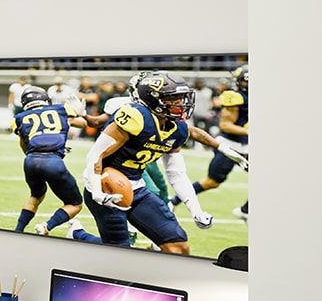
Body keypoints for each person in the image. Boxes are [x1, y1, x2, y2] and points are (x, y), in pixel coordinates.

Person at [82, 71, 212, 254]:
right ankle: (80, 235)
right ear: (153, 99)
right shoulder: (136, 117)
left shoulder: (178, 129)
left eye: (181, 98)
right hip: (106, 185)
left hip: (137, 187)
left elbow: (176, 173)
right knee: (120, 253)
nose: (180, 104)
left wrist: (196, 210)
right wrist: (96, 190)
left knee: (178, 247)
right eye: (173, 99)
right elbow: (95, 155)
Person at [12, 86, 102, 242]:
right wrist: (82, 112)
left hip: (30, 160)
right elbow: (81, 123)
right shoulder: (61, 109)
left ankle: (18, 230)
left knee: (36, 195)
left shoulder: (19, 117)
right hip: (53, 162)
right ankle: (46, 226)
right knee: (75, 204)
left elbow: (23, 144)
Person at [193, 64, 249, 220]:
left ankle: (246, 210)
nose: (248, 85)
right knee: (212, 182)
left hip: (247, 145)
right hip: (229, 145)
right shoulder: (236, 97)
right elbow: (225, 125)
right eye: (245, 81)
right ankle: (174, 200)